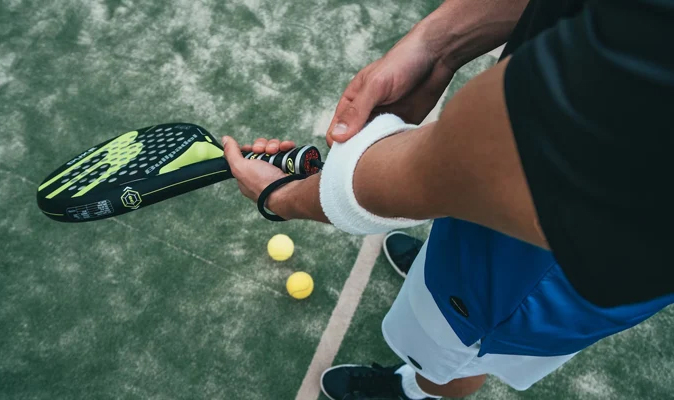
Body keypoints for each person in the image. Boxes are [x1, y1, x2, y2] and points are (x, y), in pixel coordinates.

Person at [221, 0, 674, 398]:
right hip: (532, 202)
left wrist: (283, 197)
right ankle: (439, 267)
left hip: (543, 271)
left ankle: (416, 391)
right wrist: (435, 45)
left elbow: (467, 169)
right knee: (452, 264)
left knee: (457, 353)